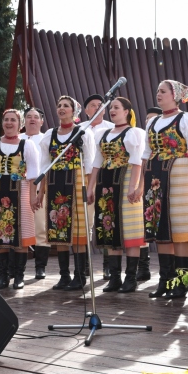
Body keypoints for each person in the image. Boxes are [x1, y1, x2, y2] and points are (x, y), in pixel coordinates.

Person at [142, 80, 188, 299]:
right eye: (157, 90)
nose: (158, 94)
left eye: (163, 91)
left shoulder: (187, 119)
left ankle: (181, 283)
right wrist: (141, 184)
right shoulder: (152, 122)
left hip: (180, 173)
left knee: (179, 231)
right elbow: (145, 154)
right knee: (160, 231)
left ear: (175, 95)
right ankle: (165, 281)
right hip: (155, 175)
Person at [87, 97, 146, 293]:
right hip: (106, 183)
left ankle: (131, 278)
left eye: (116, 107)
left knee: (129, 230)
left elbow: (137, 162)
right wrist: (90, 187)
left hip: (125, 179)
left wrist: (133, 187)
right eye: (111, 107)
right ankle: (114, 278)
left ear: (127, 111)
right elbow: (97, 161)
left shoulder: (134, 133)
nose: (112, 110)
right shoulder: (102, 134)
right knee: (109, 226)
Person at [0, 109, 39, 290]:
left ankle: (19, 276)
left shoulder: (27, 145)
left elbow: (34, 174)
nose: (9, 123)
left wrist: (33, 196)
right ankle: (3, 276)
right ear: (2, 122)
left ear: (20, 124)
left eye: (13, 120)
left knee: (21, 233)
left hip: (21, 190)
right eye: (6, 120)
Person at [37, 96, 95, 291]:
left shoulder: (83, 133)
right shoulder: (49, 135)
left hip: (77, 182)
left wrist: (90, 187)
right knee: (58, 229)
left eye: (66, 106)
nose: (61, 108)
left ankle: (79, 276)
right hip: (55, 183)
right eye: (59, 105)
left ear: (74, 111)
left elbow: (90, 163)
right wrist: (40, 193)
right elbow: (44, 167)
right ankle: (64, 276)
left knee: (78, 230)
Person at [83, 93, 115, 280]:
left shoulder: (113, 128)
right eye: (93, 105)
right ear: (86, 111)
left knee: (106, 221)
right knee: (86, 223)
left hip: (106, 178)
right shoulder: (79, 129)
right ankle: (85, 266)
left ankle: (107, 266)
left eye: (100, 105)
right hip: (84, 179)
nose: (97, 108)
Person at [22, 107, 49, 279]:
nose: (32, 119)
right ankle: (18, 268)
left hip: (40, 190)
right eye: (28, 117)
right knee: (20, 230)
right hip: (20, 190)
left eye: (36, 117)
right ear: (23, 120)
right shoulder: (16, 139)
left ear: (42, 121)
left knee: (41, 230)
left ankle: (40, 267)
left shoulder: (46, 139)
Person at [136, 107, 162, 282]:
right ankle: (143, 267)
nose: (149, 122)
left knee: (162, 229)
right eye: (147, 119)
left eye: (153, 119)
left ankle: (167, 273)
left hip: (158, 183)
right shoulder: (142, 139)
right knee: (144, 227)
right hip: (143, 186)